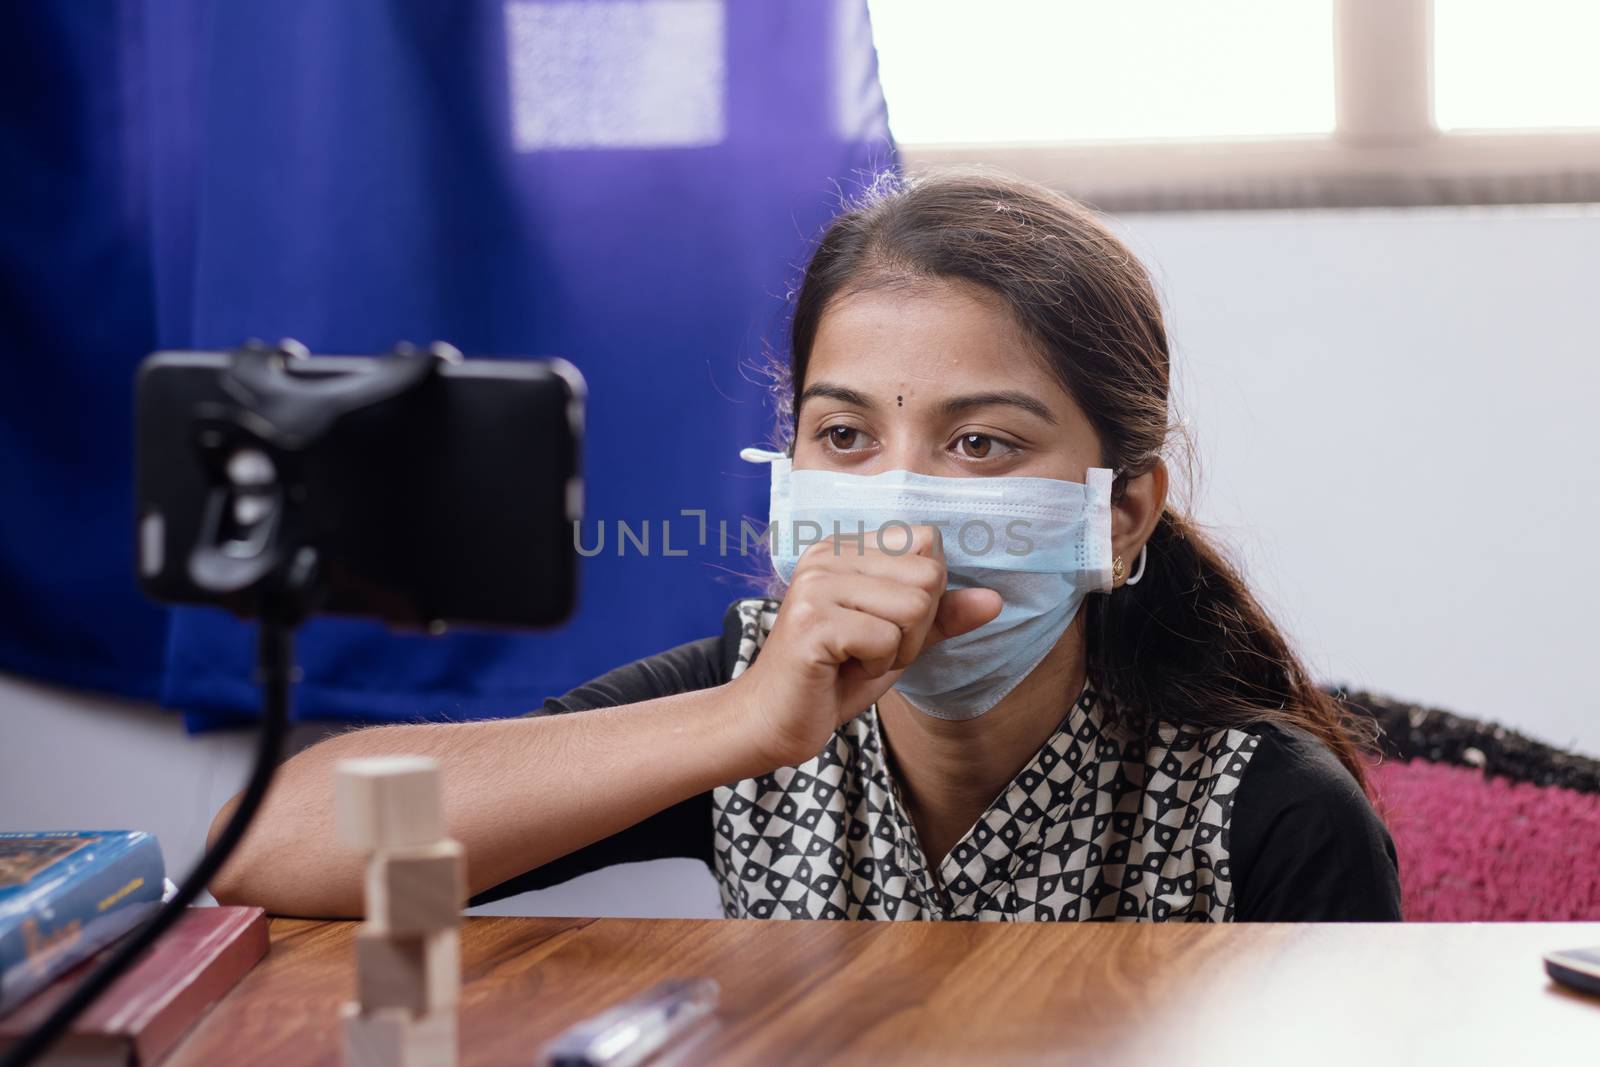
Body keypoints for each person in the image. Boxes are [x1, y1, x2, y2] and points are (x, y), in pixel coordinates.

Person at [209, 171, 1401, 923]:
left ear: (1122, 510)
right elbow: (270, 844)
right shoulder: (744, 704)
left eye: (980, 443)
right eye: (843, 433)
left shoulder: (1265, 814)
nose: (900, 503)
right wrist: (740, 726)